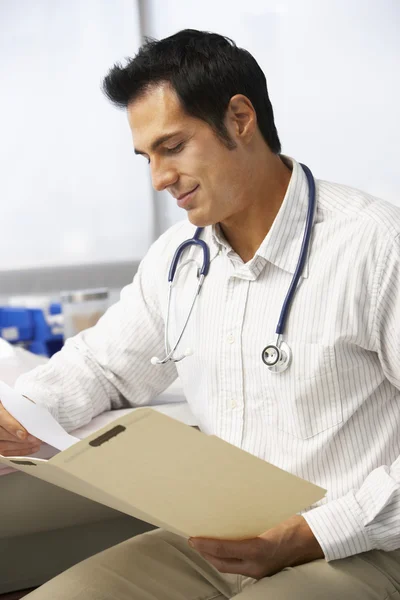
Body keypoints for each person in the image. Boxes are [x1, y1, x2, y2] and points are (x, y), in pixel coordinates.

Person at [1, 28, 400, 599]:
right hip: (214, 543)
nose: (160, 178)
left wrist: (308, 533)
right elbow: (105, 367)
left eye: (172, 147)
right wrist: (23, 412)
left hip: (357, 545)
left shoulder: (376, 245)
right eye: (147, 157)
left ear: (240, 118)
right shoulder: (178, 260)